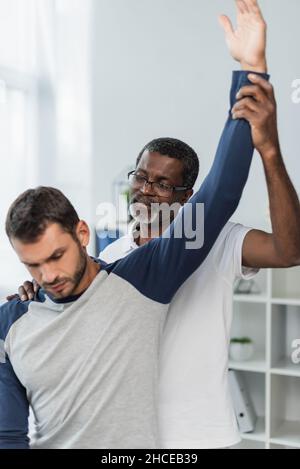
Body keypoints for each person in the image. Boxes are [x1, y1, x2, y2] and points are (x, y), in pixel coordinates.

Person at [1, 0, 298, 451]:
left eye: (162, 185)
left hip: (203, 437)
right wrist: (34, 296)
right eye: (141, 177)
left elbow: (277, 240)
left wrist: (255, 91)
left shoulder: (196, 247)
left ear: (185, 196)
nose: (145, 190)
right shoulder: (112, 258)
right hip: (131, 439)